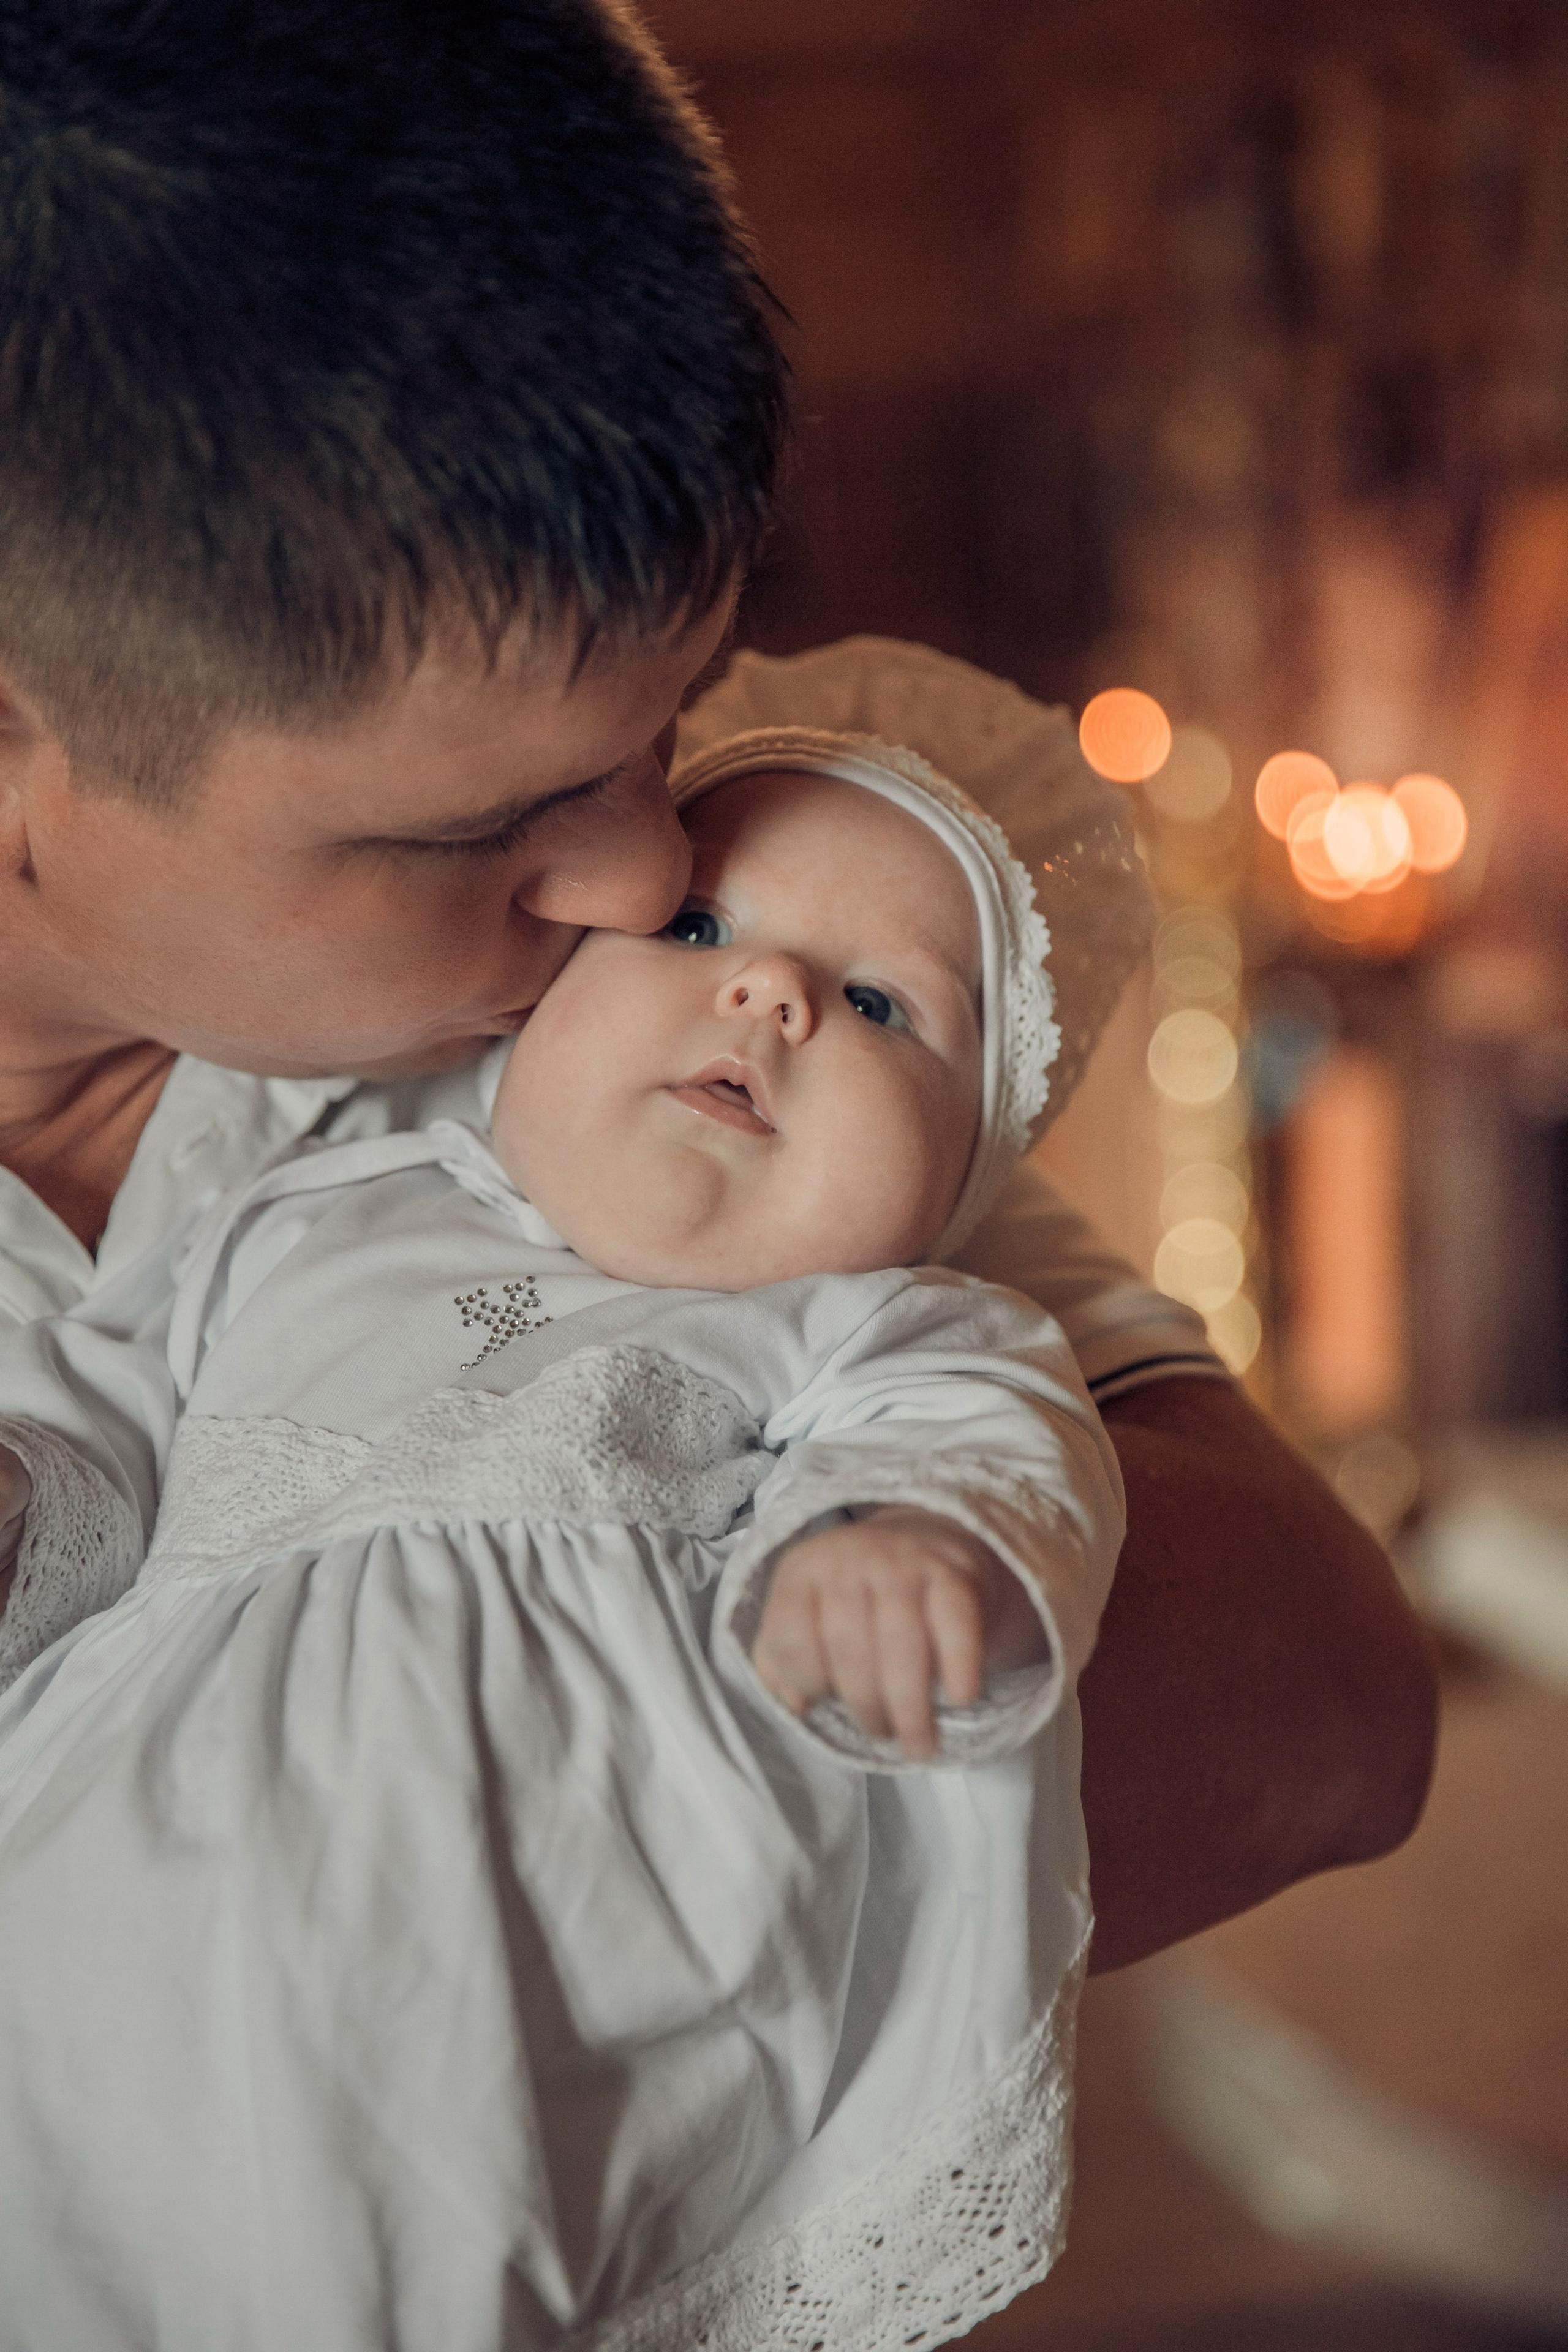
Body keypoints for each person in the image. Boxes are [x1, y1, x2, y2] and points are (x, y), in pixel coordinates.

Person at [0, 0, 1434, 1988]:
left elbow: (1327, 1702)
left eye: (664, 726)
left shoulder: (685, 1004)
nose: (651, 876)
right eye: (476, 825)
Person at [0, 733, 1122, 2348]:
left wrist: (902, 1543)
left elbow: (1007, 1459)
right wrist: (29, 1497)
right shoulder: (315, 1211)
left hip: (524, 1949)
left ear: (961, 1179)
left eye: (881, 1005)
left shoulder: (888, 1324)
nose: (770, 998)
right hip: (122, 1858)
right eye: (695, 933)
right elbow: (109, 1421)